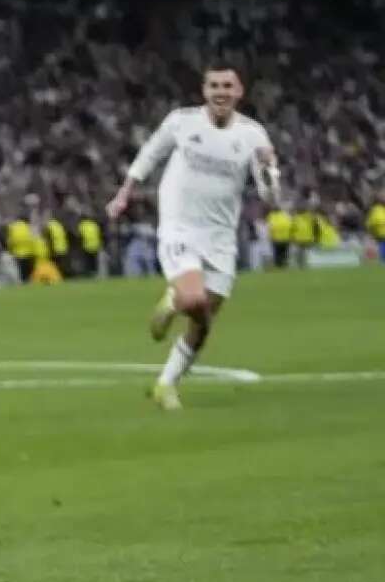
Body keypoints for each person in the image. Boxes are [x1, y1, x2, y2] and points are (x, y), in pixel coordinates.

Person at [106, 66, 279, 412]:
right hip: (180, 227)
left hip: (221, 238)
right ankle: (175, 300)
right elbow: (150, 153)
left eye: (227, 86)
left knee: (203, 321)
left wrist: (268, 171)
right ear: (204, 90)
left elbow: (270, 196)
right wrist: (124, 193)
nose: (221, 92)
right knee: (194, 299)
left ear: (239, 91)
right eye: (214, 85)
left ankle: (166, 384)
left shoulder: (253, 135)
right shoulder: (181, 122)